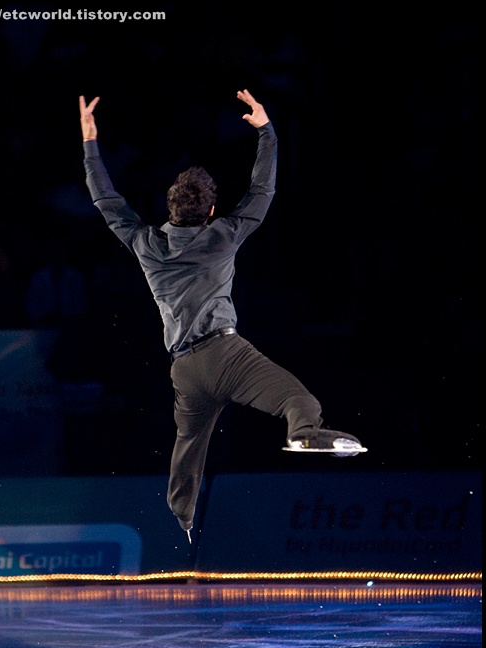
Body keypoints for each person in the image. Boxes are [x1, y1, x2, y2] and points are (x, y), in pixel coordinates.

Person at [79, 90, 365, 541]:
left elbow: (106, 200)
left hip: (185, 370)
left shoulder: (146, 244)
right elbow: (262, 190)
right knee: (300, 401)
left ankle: (183, 520)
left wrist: (89, 143)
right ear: (211, 211)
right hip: (227, 355)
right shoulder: (224, 235)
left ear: (169, 209)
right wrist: (267, 131)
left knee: (189, 446)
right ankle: (303, 431)